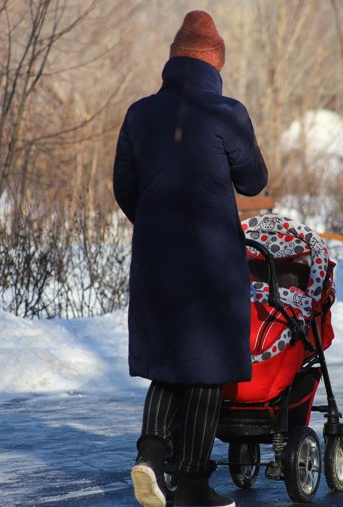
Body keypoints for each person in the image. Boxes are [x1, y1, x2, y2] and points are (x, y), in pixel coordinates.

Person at [113, 10, 268, 507]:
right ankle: (194, 484)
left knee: (168, 364)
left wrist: (159, 227)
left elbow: (124, 188)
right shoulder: (225, 112)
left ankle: (151, 458)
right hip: (212, 265)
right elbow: (254, 181)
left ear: (173, 61)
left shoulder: (139, 113)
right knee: (205, 369)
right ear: (215, 62)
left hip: (157, 261)